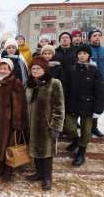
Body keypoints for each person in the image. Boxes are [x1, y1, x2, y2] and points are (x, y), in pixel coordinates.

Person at [25, 56, 65, 191]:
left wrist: (55, 126)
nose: (35, 71)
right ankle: (39, 173)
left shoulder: (54, 83)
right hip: (32, 125)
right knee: (35, 151)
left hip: (46, 126)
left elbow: (59, 107)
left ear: (45, 69)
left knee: (47, 153)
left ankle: (47, 178)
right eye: (33, 68)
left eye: (38, 68)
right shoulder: (30, 84)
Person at [0, 58, 27, 181]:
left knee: (8, 146)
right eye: (0, 68)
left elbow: (19, 104)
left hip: (8, 122)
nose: (2, 70)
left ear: (10, 70)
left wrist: (16, 121)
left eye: (5, 68)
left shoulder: (15, 83)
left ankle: (8, 170)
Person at [64, 44, 104, 166]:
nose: (82, 56)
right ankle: (76, 141)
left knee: (86, 131)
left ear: (89, 56)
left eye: (85, 53)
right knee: (69, 126)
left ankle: (81, 152)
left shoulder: (95, 71)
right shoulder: (71, 69)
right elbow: (66, 88)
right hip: (72, 104)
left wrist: (98, 109)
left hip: (88, 106)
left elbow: (100, 91)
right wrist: (65, 102)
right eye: (80, 53)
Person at [89, 29, 104, 137]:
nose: (97, 37)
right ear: (90, 37)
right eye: (94, 35)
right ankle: (89, 128)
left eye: (99, 35)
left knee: (99, 105)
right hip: (89, 82)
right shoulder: (86, 50)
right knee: (89, 105)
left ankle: (94, 128)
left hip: (102, 82)